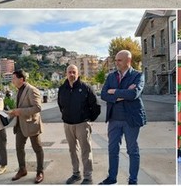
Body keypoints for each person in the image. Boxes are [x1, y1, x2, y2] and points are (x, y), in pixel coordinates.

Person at [99, 50, 146, 185]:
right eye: (116, 60)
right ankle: (112, 178)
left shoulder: (138, 75)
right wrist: (122, 94)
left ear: (128, 61)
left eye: (119, 60)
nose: (116, 62)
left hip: (131, 119)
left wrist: (114, 92)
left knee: (132, 150)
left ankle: (133, 180)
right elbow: (103, 94)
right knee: (112, 149)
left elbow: (134, 94)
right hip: (114, 119)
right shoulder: (111, 76)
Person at [58, 65, 98, 185]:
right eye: (69, 72)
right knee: (72, 150)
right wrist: (66, 116)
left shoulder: (85, 87)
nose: (71, 74)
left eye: (73, 72)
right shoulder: (62, 89)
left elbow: (95, 106)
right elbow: (61, 105)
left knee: (86, 150)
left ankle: (88, 176)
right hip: (68, 124)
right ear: (66, 73)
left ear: (78, 73)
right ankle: (76, 174)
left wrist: (88, 119)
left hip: (82, 124)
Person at [8, 70, 45, 184]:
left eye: (14, 78)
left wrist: (20, 111)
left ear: (21, 79)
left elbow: (38, 108)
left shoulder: (32, 90)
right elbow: (19, 107)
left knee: (37, 148)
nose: (12, 81)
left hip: (31, 124)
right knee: (19, 148)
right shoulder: (17, 91)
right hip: (19, 124)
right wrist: (12, 112)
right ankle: (22, 169)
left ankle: (40, 171)